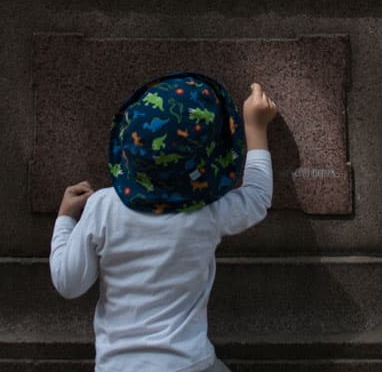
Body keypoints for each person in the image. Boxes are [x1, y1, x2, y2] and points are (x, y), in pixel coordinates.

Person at [50, 73, 279, 372]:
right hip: (188, 364)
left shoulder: (102, 207)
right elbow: (257, 197)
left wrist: (65, 218)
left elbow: (69, 283)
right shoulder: (206, 213)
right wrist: (255, 128)